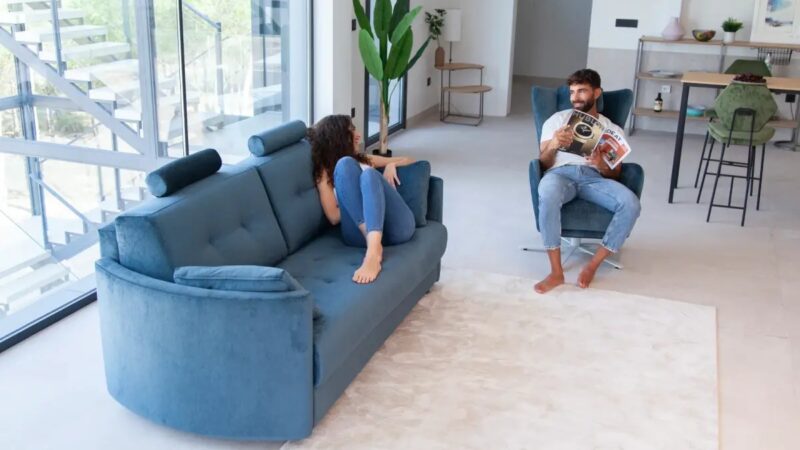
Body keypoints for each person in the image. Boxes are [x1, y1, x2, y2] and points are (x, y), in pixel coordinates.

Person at [534, 69, 641, 294]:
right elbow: (542, 164)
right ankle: (556, 272)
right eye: (572, 92)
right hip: (560, 174)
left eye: (582, 91)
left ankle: (592, 266)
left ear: (597, 92)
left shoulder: (612, 129)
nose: (575, 97)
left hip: (594, 179)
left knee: (631, 204)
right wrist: (553, 144)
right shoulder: (557, 120)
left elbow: (615, 174)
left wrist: (601, 164)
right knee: (548, 192)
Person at [309, 114, 416, 284]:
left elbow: (410, 159)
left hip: (395, 226)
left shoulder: (364, 159)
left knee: (369, 176)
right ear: (338, 137)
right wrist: (359, 201)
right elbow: (334, 217)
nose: (358, 135)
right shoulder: (324, 173)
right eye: (352, 131)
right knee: (344, 164)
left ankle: (373, 251)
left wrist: (391, 165)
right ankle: (374, 247)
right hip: (358, 234)